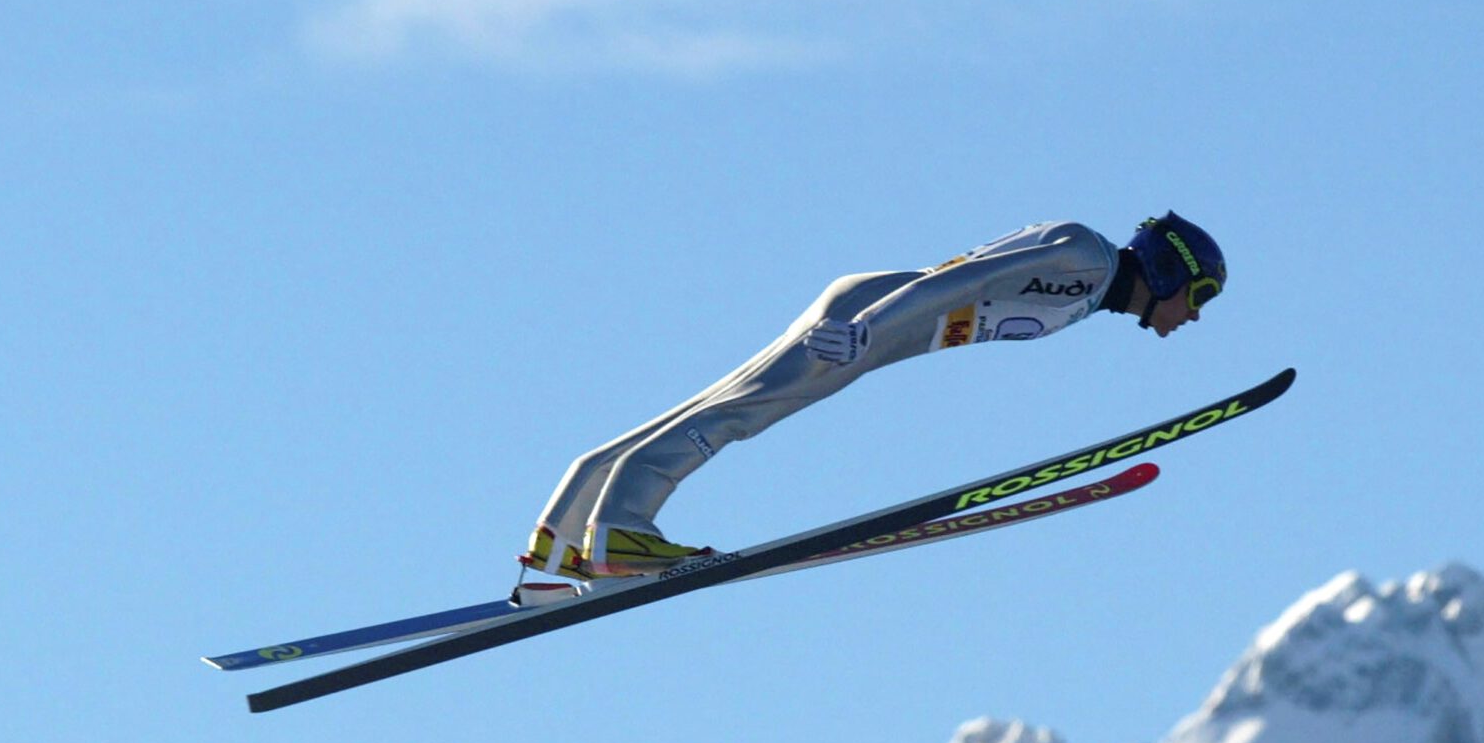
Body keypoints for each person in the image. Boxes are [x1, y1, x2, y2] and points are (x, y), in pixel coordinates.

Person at [522, 212, 1227, 581]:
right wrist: (864, 329)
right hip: (870, 318)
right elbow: (962, 280)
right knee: (739, 414)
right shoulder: (1089, 256)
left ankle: (559, 549)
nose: (1192, 315)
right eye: (1198, 295)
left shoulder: (1092, 289)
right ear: (1173, 270)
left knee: (720, 404)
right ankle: (619, 532)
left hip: (878, 327)